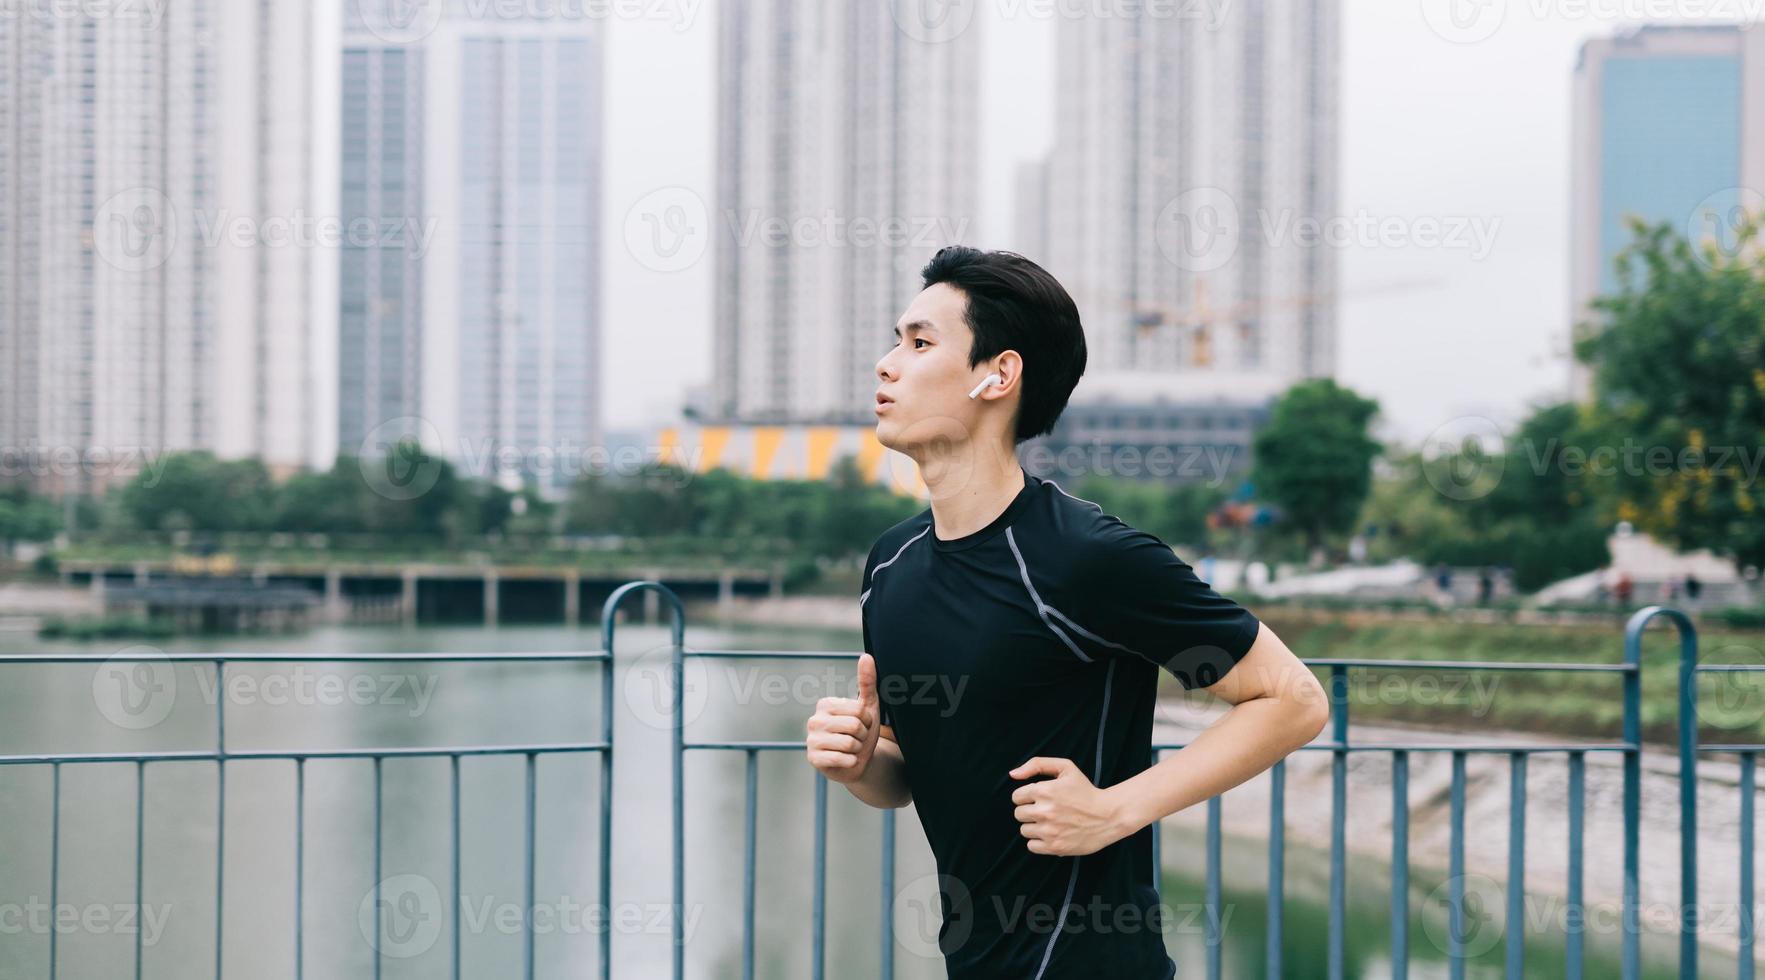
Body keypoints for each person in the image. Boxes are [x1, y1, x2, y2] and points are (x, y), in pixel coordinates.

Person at [804, 246, 1329, 980]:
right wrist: (859, 763)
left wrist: (1117, 809)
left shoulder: (1084, 557)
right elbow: (905, 775)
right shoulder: (891, 566)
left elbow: (1293, 699)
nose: (887, 364)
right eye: (896, 341)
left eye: (919, 343)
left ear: (999, 374)